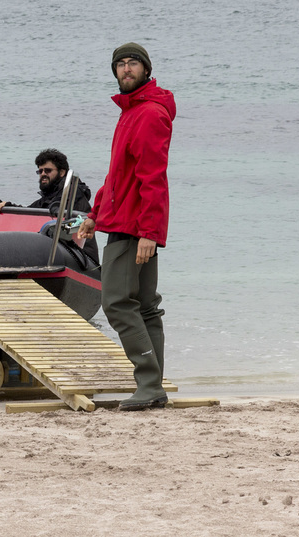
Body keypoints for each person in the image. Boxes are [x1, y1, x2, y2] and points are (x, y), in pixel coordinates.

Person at [76, 42, 176, 411]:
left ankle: (148, 382)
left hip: (134, 227)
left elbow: (154, 177)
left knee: (117, 303)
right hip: (125, 220)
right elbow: (118, 174)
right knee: (146, 306)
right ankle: (155, 387)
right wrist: (94, 215)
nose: (126, 68)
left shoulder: (149, 114)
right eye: (120, 64)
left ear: (147, 70)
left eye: (134, 63)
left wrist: (150, 232)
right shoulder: (131, 112)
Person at [0, 148, 98, 264]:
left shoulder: (73, 192)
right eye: (40, 171)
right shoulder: (49, 196)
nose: (43, 174)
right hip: (61, 251)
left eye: (48, 170)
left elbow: (53, 210)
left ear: (62, 172)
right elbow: (30, 212)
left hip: (81, 258)